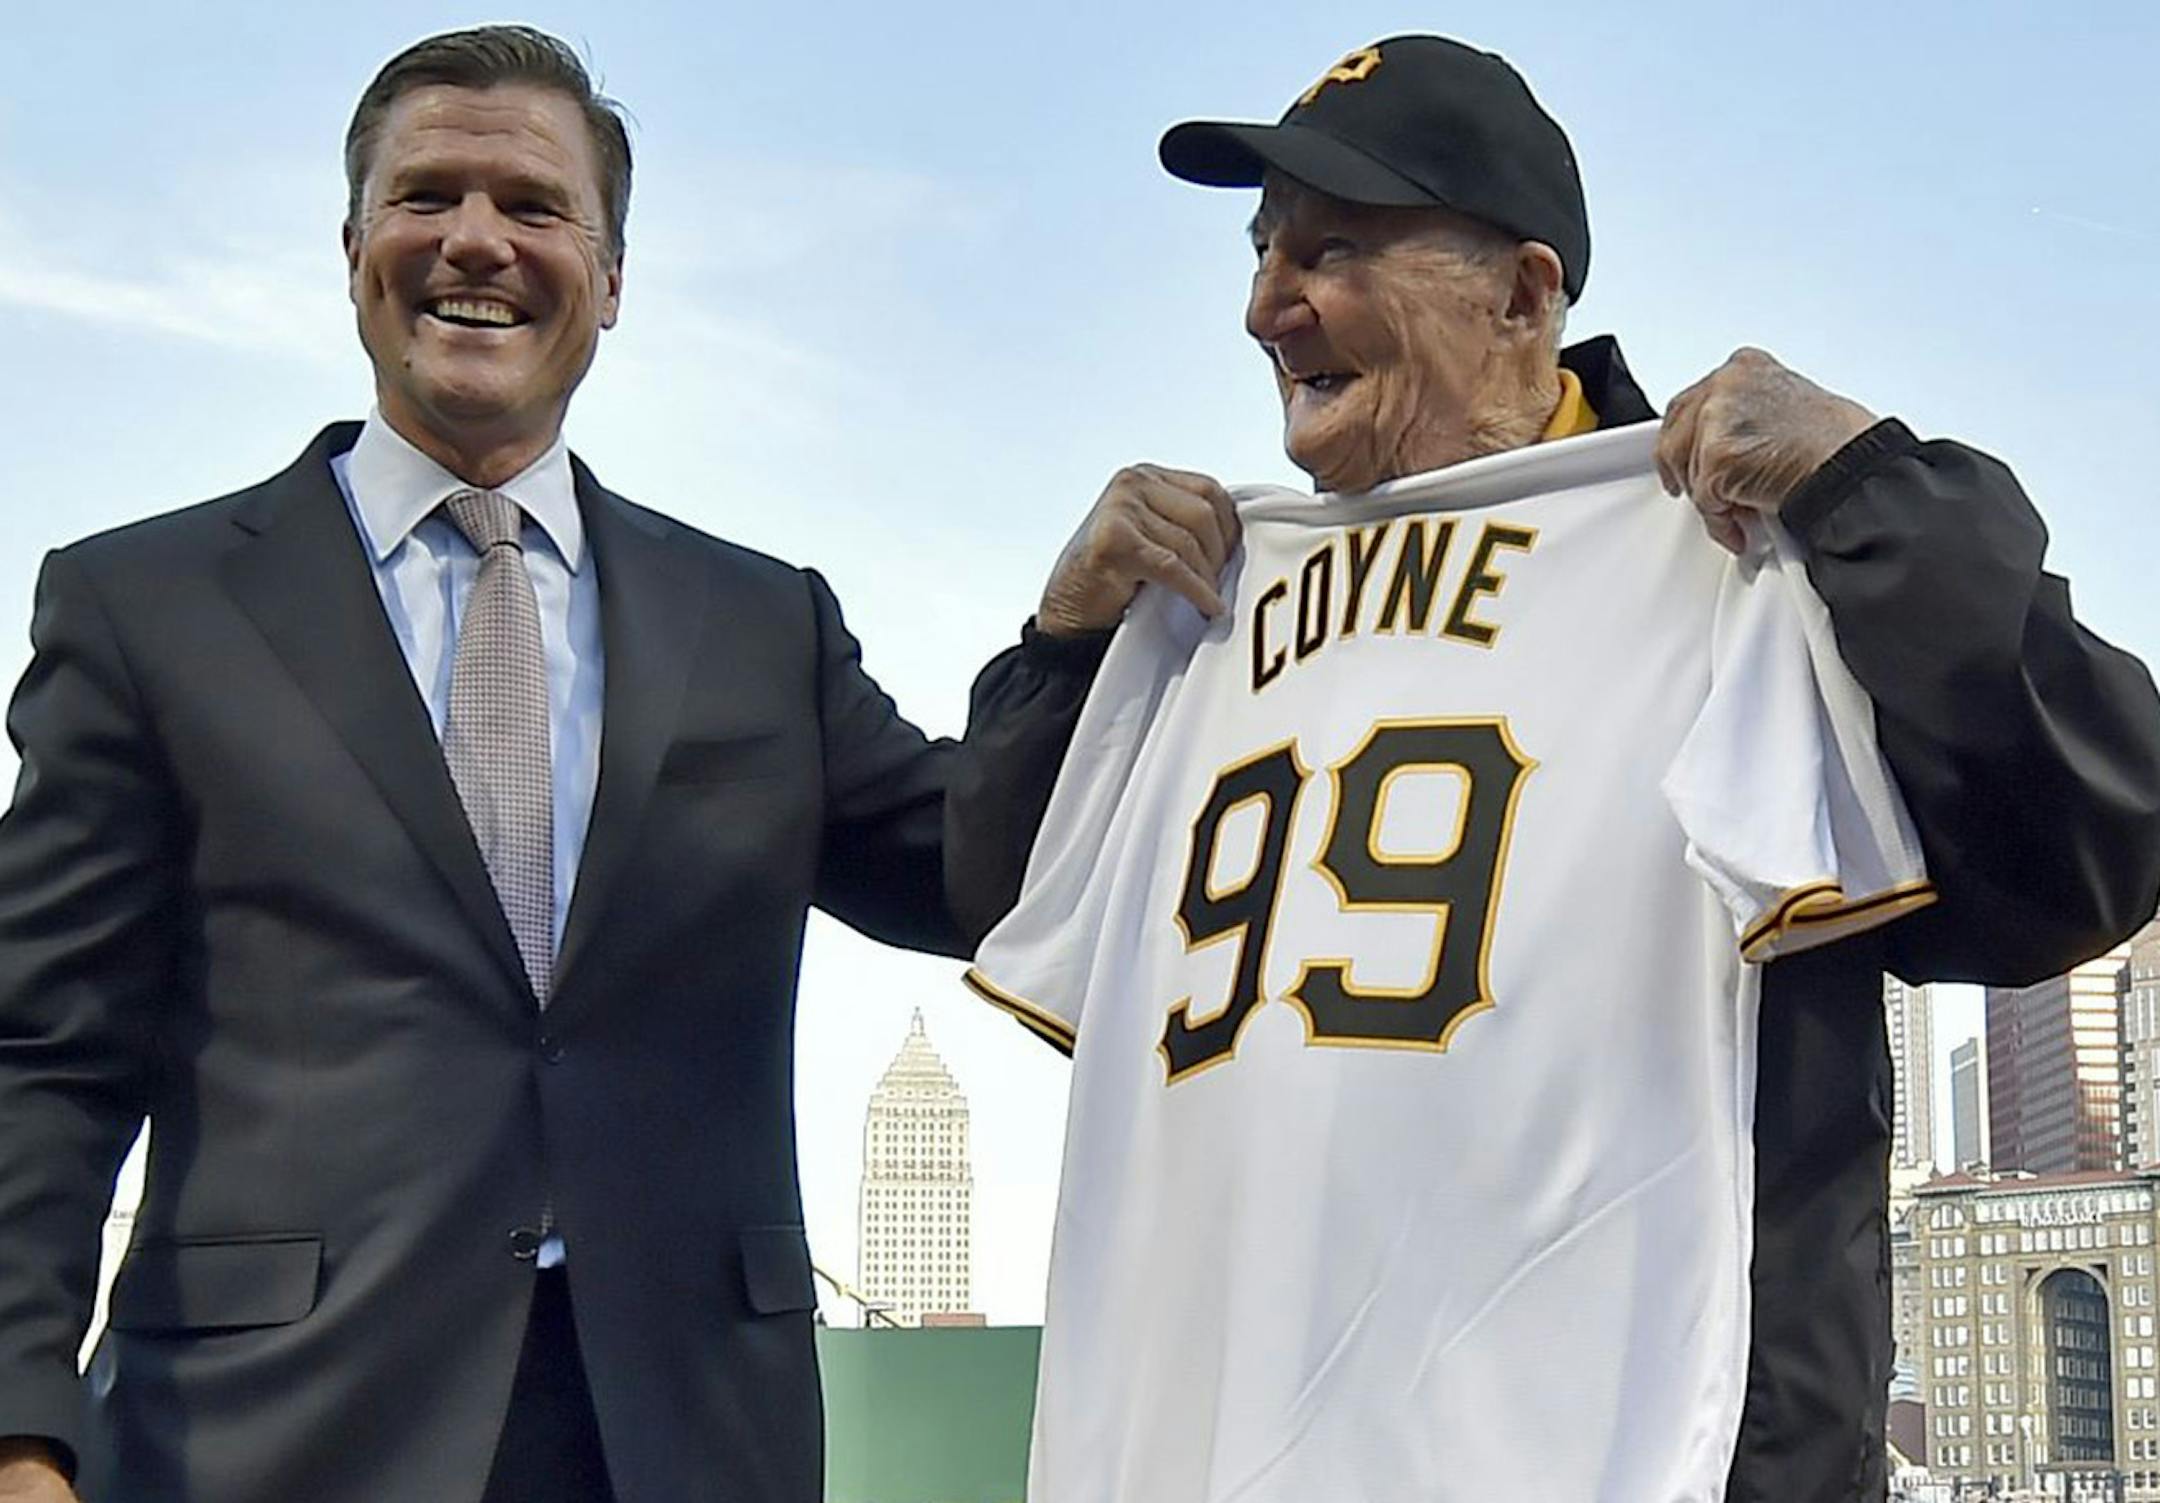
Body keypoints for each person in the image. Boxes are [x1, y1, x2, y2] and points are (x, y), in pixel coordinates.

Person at [0, 25, 1203, 1503]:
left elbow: (974, 878)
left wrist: (1068, 639)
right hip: (269, 1438)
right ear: (355, 247)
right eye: (426, 194)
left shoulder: (760, 624)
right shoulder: (151, 608)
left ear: (611, 277)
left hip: (686, 1437)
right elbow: (42, 1058)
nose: (477, 241)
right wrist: (19, 1430)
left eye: (533, 206)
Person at [990, 34, 2160, 1502]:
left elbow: (2091, 845)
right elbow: (997, 891)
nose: (1264, 305)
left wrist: (1870, 493)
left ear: (1527, 293)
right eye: (1262, 250)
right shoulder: (1201, 601)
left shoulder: (1738, 563)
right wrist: (1064, 645)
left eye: (1332, 246)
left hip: (1633, 1443)